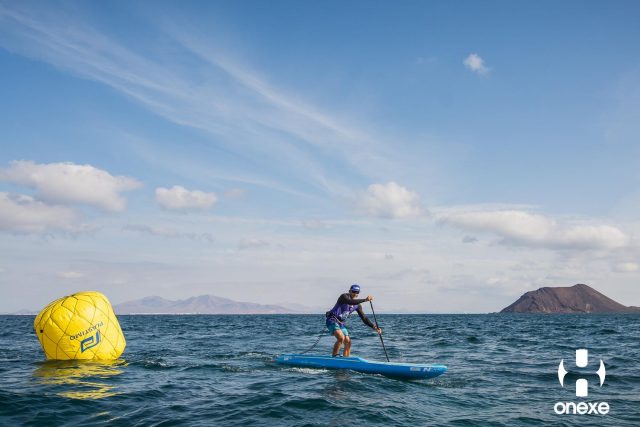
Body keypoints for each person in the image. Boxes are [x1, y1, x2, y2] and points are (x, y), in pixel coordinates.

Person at [325, 284, 382, 357]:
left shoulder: (357, 305)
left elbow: (364, 318)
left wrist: (374, 327)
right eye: (353, 291)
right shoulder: (344, 297)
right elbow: (350, 301)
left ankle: (346, 359)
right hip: (332, 320)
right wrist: (365, 300)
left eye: (357, 292)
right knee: (341, 337)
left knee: (348, 342)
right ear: (350, 291)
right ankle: (334, 357)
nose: (355, 293)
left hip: (340, 323)